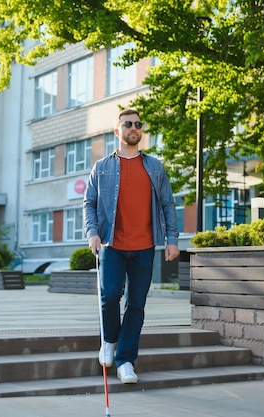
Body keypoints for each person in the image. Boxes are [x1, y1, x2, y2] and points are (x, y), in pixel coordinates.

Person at [83, 108, 180, 384]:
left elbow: (168, 204)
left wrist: (172, 240)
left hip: (144, 247)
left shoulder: (155, 167)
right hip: (112, 245)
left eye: (138, 124)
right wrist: (92, 233)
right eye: (128, 124)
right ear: (117, 131)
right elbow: (89, 202)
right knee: (110, 296)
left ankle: (126, 360)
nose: (134, 128)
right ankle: (109, 341)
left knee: (136, 305)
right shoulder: (101, 167)